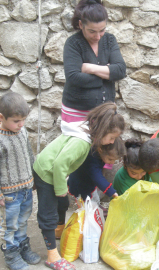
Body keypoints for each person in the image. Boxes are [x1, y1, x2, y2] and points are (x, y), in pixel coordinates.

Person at [33, 102, 124, 270]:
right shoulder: (82, 143)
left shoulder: (86, 131)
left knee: (61, 205)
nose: (111, 142)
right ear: (103, 130)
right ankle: (52, 256)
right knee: (48, 214)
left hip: (50, 170)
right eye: (111, 137)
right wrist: (60, 190)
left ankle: (56, 232)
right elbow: (60, 164)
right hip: (47, 173)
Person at [0, 92, 41, 270]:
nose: (21, 124)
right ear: (1, 117)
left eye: (23, 119)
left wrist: (34, 178)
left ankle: (22, 247)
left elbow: (28, 155)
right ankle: (11, 254)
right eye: (16, 121)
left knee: (23, 220)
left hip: (25, 189)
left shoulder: (22, 131)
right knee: (10, 224)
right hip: (9, 194)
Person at [61, 0, 126, 122]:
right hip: (76, 112)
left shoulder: (110, 40)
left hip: (106, 112)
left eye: (102, 30)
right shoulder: (73, 43)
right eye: (92, 31)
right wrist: (107, 74)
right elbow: (74, 77)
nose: (97, 36)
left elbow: (120, 70)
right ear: (81, 25)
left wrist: (90, 68)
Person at [67, 136, 125, 203]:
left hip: (86, 181)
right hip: (81, 185)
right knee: (90, 203)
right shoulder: (92, 161)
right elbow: (98, 177)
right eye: (110, 159)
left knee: (94, 199)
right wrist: (111, 192)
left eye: (114, 160)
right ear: (100, 150)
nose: (112, 163)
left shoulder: (97, 151)